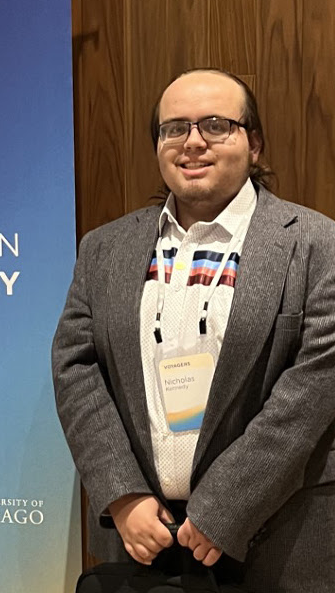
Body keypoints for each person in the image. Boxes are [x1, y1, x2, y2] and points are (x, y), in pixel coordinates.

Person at [52, 68, 335, 592]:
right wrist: (121, 494)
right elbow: (76, 368)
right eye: (174, 128)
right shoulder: (103, 249)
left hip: (281, 534)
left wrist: (226, 505)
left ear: (254, 143)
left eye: (215, 125)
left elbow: (316, 388)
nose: (193, 142)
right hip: (144, 540)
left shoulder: (319, 245)